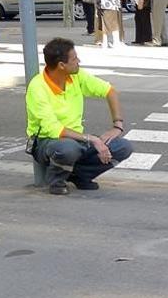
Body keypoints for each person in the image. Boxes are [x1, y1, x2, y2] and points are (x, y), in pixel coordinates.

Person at [26, 37, 133, 195]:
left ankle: (79, 175)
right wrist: (93, 139)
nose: (79, 61)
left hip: (78, 139)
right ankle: (56, 181)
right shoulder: (37, 87)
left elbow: (109, 91)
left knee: (123, 147)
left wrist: (117, 125)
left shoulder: (76, 76)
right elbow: (54, 129)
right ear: (61, 65)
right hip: (47, 141)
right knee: (68, 148)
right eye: (75, 59)